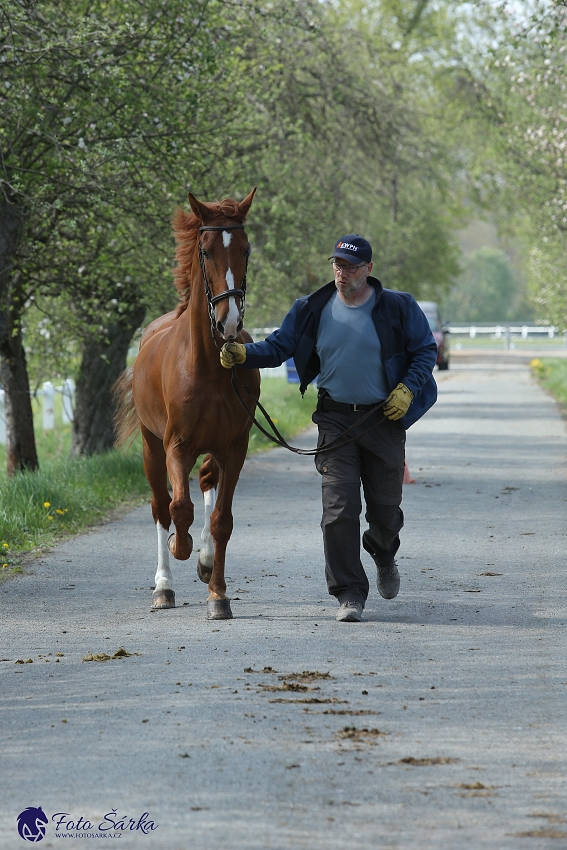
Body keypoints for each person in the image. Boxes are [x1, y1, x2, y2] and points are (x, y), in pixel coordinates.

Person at [220, 234, 437, 621]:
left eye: (351, 266)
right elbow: (279, 347)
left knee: (386, 513)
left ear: (368, 269)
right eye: (337, 265)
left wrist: (407, 388)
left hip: (383, 419)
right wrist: (243, 354)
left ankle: (383, 552)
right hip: (335, 420)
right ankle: (349, 593)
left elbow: (424, 350)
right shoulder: (311, 308)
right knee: (338, 510)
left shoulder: (397, 306)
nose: (342, 272)